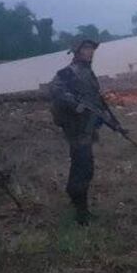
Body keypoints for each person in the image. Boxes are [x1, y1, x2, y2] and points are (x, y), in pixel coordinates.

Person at [49, 38, 104, 225]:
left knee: (82, 166)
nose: (90, 51)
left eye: (92, 48)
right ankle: (81, 211)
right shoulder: (68, 72)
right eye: (86, 48)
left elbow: (93, 97)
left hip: (86, 126)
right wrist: (76, 104)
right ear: (77, 51)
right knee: (83, 167)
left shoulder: (88, 72)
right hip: (76, 127)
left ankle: (76, 199)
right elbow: (54, 89)